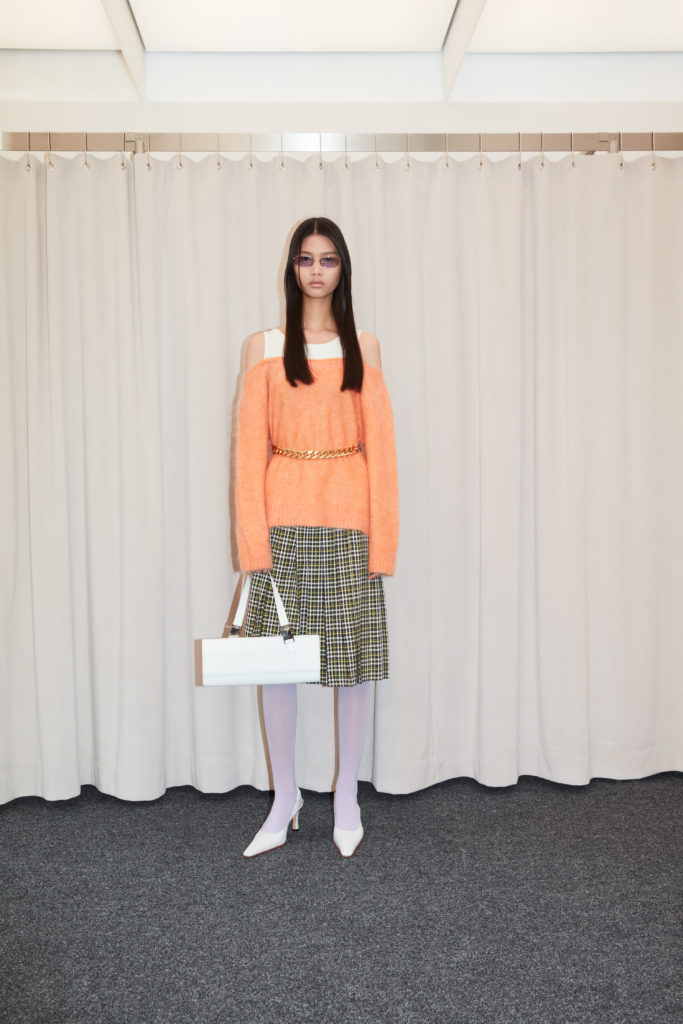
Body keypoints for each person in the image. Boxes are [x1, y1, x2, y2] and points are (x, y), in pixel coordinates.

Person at [235, 216, 399, 858]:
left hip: (350, 522)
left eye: (328, 259)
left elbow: (382, 452)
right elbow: (248, 454)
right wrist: (253, 544)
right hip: (283, 522)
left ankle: (346, 795)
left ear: (342, 269)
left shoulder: (366, 347)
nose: (316, 270)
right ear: (292, 268)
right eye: (306, 259)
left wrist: (383, 541)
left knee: (352, 664)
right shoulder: (264, 347)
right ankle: (285, 798)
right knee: (278, 665)